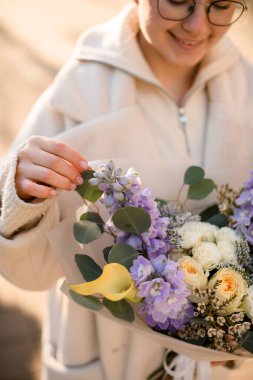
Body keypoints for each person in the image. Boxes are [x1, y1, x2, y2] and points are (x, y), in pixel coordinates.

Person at [0, 0, 253, 379]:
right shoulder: (79, 88)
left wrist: (235, 329)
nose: (198, 27)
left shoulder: (244, 87)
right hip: (102, 359)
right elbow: (28, 271)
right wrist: (23, 194)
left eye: (219, 5)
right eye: (178, 2)